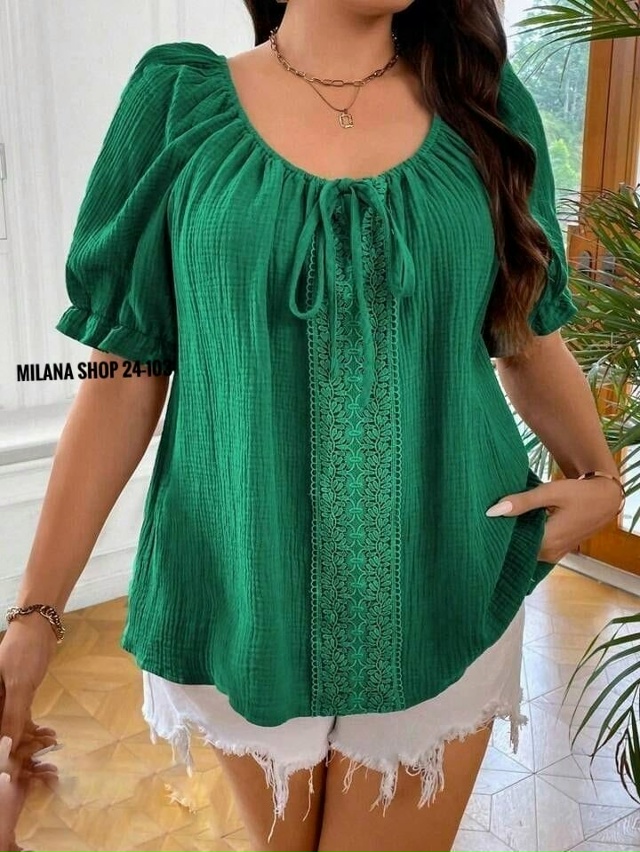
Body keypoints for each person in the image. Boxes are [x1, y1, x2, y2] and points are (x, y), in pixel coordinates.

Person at [0, 1, 626, 851]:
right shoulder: (177, 105)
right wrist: (36, 616)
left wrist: (598, 479)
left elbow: (524, 333)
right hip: (242, 590)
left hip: (447, 576)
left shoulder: (481, 103)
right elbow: (122, 378)